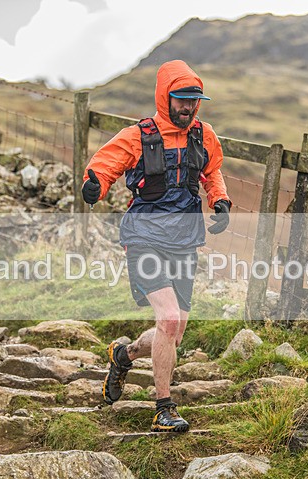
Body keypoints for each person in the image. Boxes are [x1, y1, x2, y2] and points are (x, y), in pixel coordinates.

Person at [81, 59, 231, 433]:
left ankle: (124, 354)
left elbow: (212, 171)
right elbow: (105, 165)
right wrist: (95, 184)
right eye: (182, 99)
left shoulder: (204, 135)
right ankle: (164, 408)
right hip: (144, 237)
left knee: (174, 330)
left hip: (184, 239)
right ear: (165, 97)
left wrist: (220, 200)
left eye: (194, 100)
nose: (188, 107)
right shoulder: (138, 135)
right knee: (168, 318)